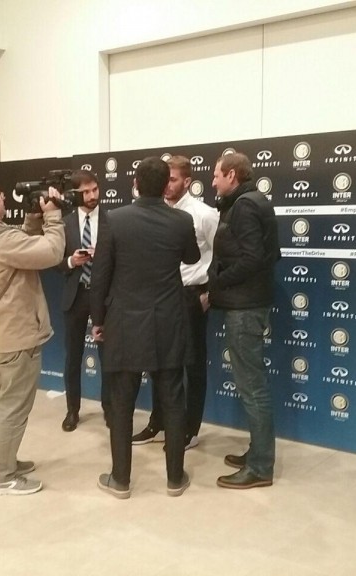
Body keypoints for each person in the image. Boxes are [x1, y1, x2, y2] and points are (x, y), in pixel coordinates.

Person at [91, 156, 200, 499]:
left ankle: (120, 480)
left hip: (124, 323)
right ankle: (174, 479)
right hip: (169, 320)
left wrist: (97, 320)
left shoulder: (114, 219)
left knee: (121, 402)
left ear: (136, 183)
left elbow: (100, 275)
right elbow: (193, 258)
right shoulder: (181, 220)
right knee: (173, 399)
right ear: (167, 184)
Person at [0, 176, 64, 496]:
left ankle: (6, 461)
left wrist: (31, 221)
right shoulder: (1, 239)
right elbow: (52, 252)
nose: (4, 197)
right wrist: (53, 216)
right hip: (16, 338)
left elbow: (20, 250)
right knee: (14, 409)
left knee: (6, 404)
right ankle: (2, 476)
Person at [132, 155, 218, 450]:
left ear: (187, 182)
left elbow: (222, 256)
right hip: (159, 296)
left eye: (172, 179)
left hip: (192, 296)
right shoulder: (154, 212)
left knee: (192, 366)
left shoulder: (204, 214)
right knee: (158, 362)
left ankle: (189, 430)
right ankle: (158, 424)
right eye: (164, 179)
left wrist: (210, 294)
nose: (166, 184)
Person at [208, 152, 281, 489]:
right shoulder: (250, 201)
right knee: (253, 386)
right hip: (247, 303)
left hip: (245, 308)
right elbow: (267, 254)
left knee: (252, 388)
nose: (213, 182)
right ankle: (258, 453)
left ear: (232, 175)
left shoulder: (246, 206)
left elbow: (254, 258)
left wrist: (217, 283)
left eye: (216, 175)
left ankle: (261, 467)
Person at [58, 169, 111, 431]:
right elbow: (53, 260)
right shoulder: (64, 223)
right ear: (75, 194)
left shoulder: (112, 220)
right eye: (85, 192)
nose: (92, 196)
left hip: (105, 296)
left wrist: (102, 255)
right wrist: (71, 261)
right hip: (75, 295)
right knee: (73, 358)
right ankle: (72, 411)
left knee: (108, 357)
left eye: (95, 190)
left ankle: (110, 409)